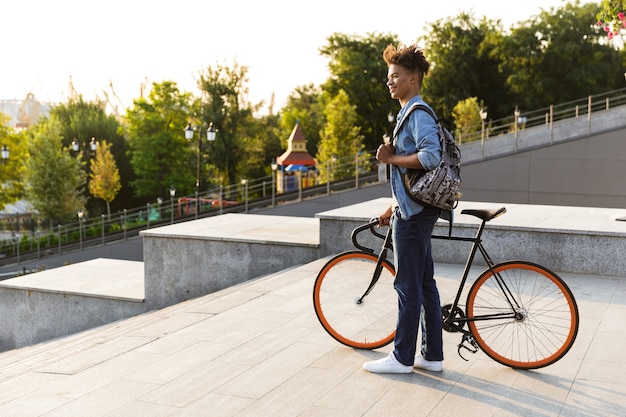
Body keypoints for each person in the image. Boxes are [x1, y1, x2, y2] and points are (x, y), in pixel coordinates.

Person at [362, 44, 444, 374]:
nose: (390, 82)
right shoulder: (411, 112)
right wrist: (392, 206)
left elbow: (430, 157)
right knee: (424, 284)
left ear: (414, 78)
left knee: (407, 284)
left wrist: (391, 157)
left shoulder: (417, 112)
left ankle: (402, 357)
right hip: (412, 209)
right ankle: (432, 356)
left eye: (395, 76)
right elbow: (411, 177)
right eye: (388, 77)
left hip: (414, 216)